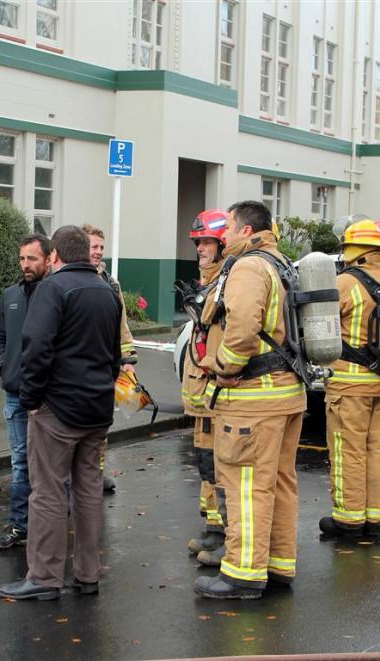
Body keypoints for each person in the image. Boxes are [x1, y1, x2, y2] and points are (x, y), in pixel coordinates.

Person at [0, 225, 121, 601]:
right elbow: (114, 354)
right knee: (86, 492)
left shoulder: (53, 289)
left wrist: (32, 399)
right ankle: (87, 575)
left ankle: (45, 578)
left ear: (54, 256)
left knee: (47, 493)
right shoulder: (108, 291)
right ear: (87, 252)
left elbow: (36, 347)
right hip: (97, 410)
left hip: (57, 411)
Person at [194, 201, 306, 600]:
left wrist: (222, 365)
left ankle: (243, 573)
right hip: (287, 396)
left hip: (253, 401)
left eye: (229, 229)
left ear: (246, 231)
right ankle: (278, 564)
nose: (222, 237)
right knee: (279, 483)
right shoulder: (281, 263)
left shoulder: (248, 267)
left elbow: (241, 328)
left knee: (245, 485)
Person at [0, 233, 51, 550]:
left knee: (50, 465)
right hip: (15, 395)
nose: (26, 265)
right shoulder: (10, 295)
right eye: (22, 258)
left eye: (32, 259)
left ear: (48, 259)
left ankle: (50, 525)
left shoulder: (54, 295)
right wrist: (3, 366)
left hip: (47, 398)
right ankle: (19, 526)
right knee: (20, 463)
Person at [319, 218, 380, 539]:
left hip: (349, 385)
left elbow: (319, 332)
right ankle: (376, 517)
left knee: (348, 450)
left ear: (353, 250)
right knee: (377, 449)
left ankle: (350, 519)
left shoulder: (345, 284)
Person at [181, 209, 227, 563]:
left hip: (217, 391)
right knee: (205, 459)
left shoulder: (226, 282)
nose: (200, 248)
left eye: (207, 242)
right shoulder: (209, 281)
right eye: (198, 243)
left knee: (219, 462)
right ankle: (213, 526)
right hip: (202, 393)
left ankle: (225, 530)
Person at [82, 223, 138, 492]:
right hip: (79, 366)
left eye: (101, 247)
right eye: (94, 247)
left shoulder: (111, 283)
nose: (98, 252)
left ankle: (97, 474)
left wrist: (128, 360)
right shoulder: (67, 278)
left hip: (107, 366)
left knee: (102, 425)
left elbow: (122, 325)